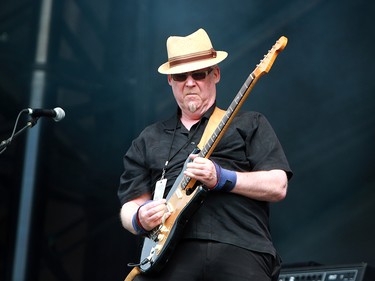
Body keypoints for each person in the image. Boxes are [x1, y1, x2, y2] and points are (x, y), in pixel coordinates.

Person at [118, 28, 292, 281]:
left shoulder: (249, 123)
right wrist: (139, 217)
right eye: (180, 76)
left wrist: (222, 177)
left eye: (198, 74)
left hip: (240, 248)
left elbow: (278, 185)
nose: (190, 82)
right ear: (170, 81)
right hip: (168, 257)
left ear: (216, 74)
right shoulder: (149, 138)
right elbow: (130, 205)